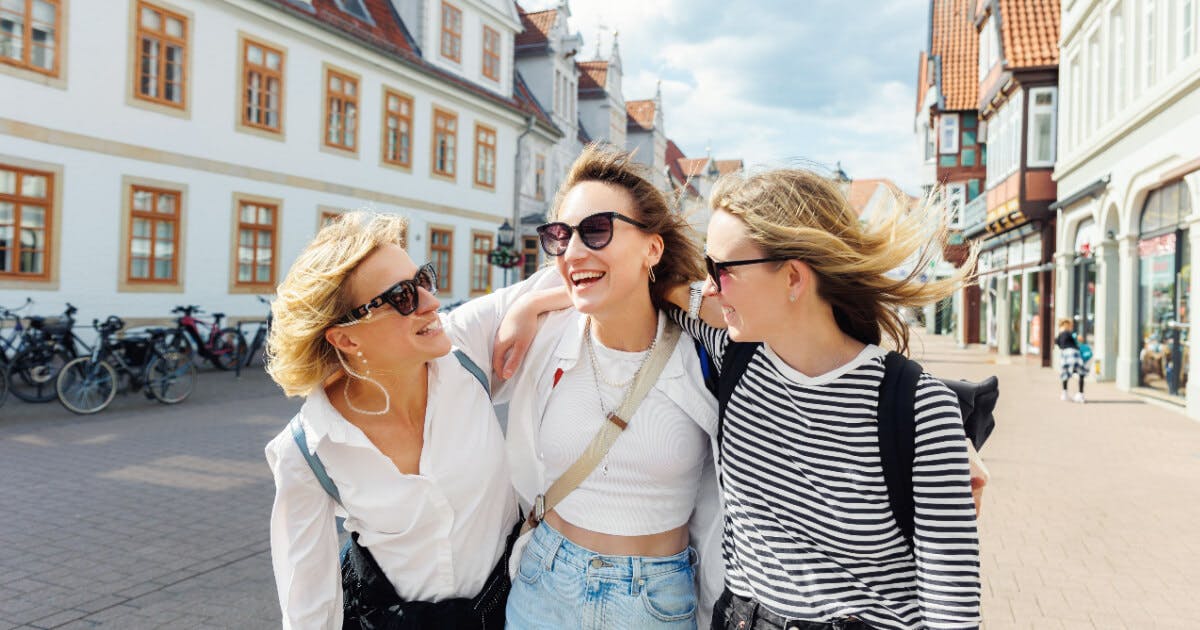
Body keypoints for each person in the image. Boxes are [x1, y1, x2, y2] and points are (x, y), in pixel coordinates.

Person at [665, 169, 980, 629]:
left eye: (721, 270)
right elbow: (639, 279)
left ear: (793, 277)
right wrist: (525, 312)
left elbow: (952, 610)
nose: (709, 285)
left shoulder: (917, 407)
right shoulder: (735, 356)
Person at [444, 144, 723, 629]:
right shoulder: (551, 337)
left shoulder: (699, 352)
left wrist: (678, 291)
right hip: (545, 584)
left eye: (597, 230)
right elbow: (435, 344)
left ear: (652, 248)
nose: (573, 251)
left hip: (654, 602)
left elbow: (771, 321)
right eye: (559, 235)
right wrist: (528, 307)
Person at [262, 212, 524, 629]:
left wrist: (525, 309)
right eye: (403, 296)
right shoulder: (307, 450)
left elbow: (577, 279)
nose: (431, 302)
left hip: (509, 612)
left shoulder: (465, 351)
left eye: (424, 279)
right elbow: (308, 609)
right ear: (346, 338)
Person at [1055, 318, 1087, 403]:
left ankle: (1064, 393)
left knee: (1065, 373)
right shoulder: (1069, 333)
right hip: (1073, 353)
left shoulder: (1060, 335)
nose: (1072, 327)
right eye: (1071, 326)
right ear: (1067, 325)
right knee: (1081, 373)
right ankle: (1080, 394)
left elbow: (1057, 343)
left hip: (1064, 355)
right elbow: (1078, 339)